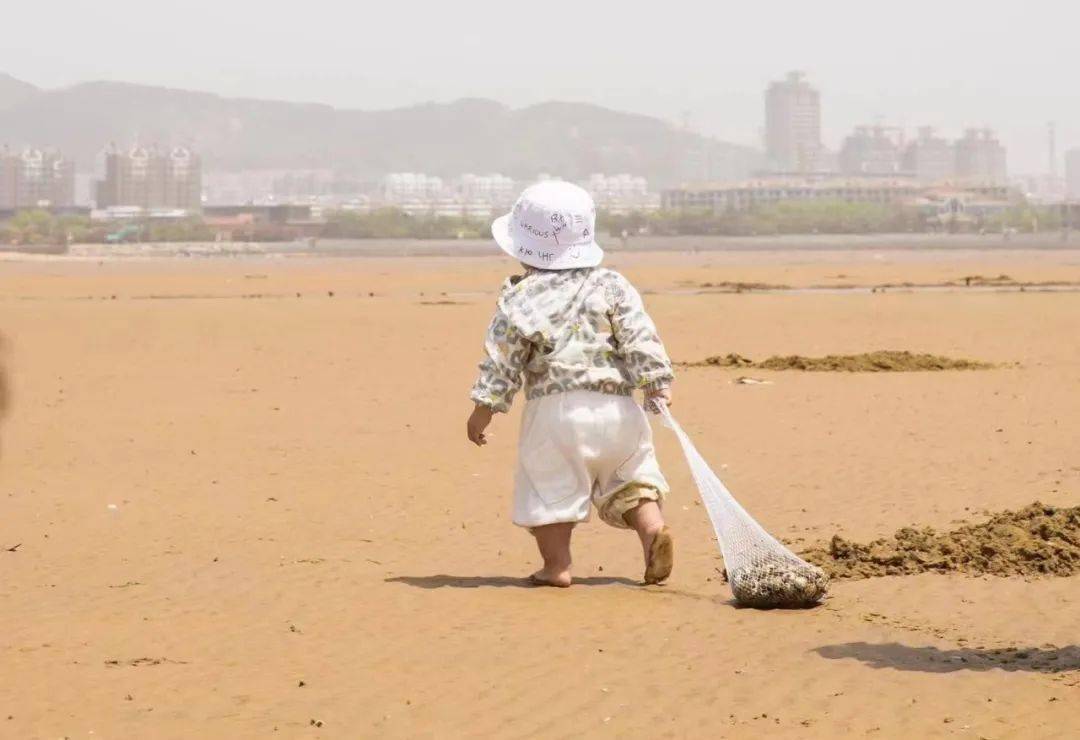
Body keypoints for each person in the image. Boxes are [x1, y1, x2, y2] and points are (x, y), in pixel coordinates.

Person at [466, 181, 675, 587]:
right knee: (631, 479)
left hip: (555, 412)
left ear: (521, 246)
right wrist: (656, 382)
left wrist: (483, 409)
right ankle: (652, 532)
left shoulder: (519, 297)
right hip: (618, 409)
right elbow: (639, 335)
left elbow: (502, 360)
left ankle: (556, 566)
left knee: (550, 489)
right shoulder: (612, 285)